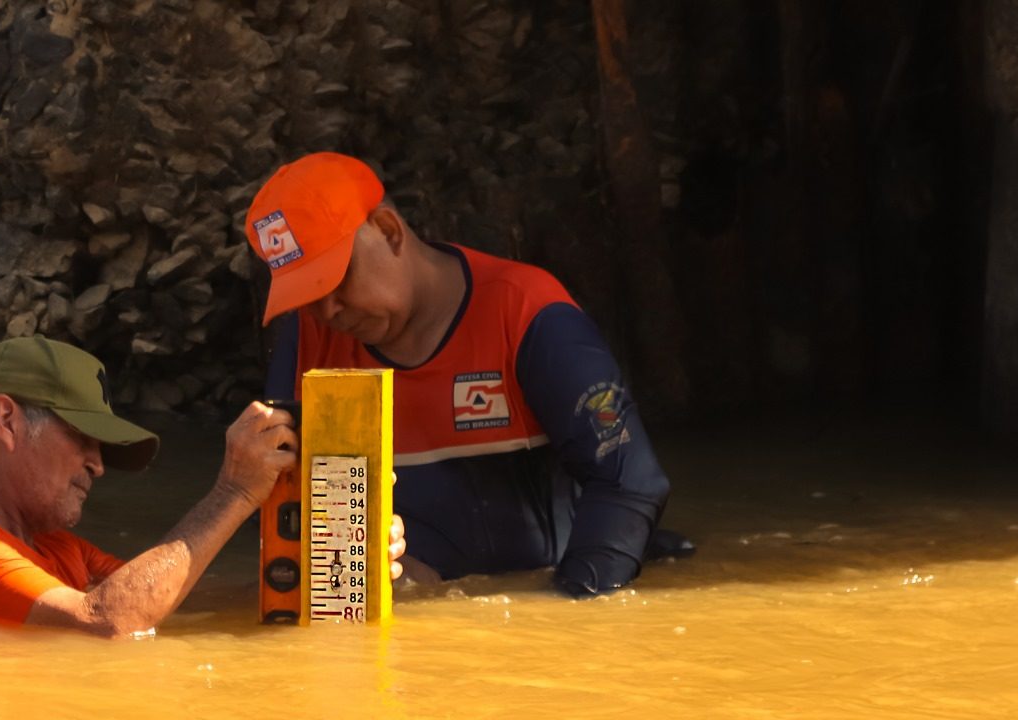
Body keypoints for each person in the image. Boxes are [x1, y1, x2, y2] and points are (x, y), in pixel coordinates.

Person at [246, 152, 689, 597]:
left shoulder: (525, 312)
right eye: (307, 294)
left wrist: (565, 618)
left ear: (388, 230)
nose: (327, 311)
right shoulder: (308, 340)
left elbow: (627, 483)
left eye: (334, 281)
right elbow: (291, 509)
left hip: (549, 596)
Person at [0, 336, 406, 635]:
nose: (98, 465)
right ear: (6, 422)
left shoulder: (53, 548)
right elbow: (111, 620)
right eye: (83, 437)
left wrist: (335, 564)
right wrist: (233, 494)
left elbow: (177, 599)